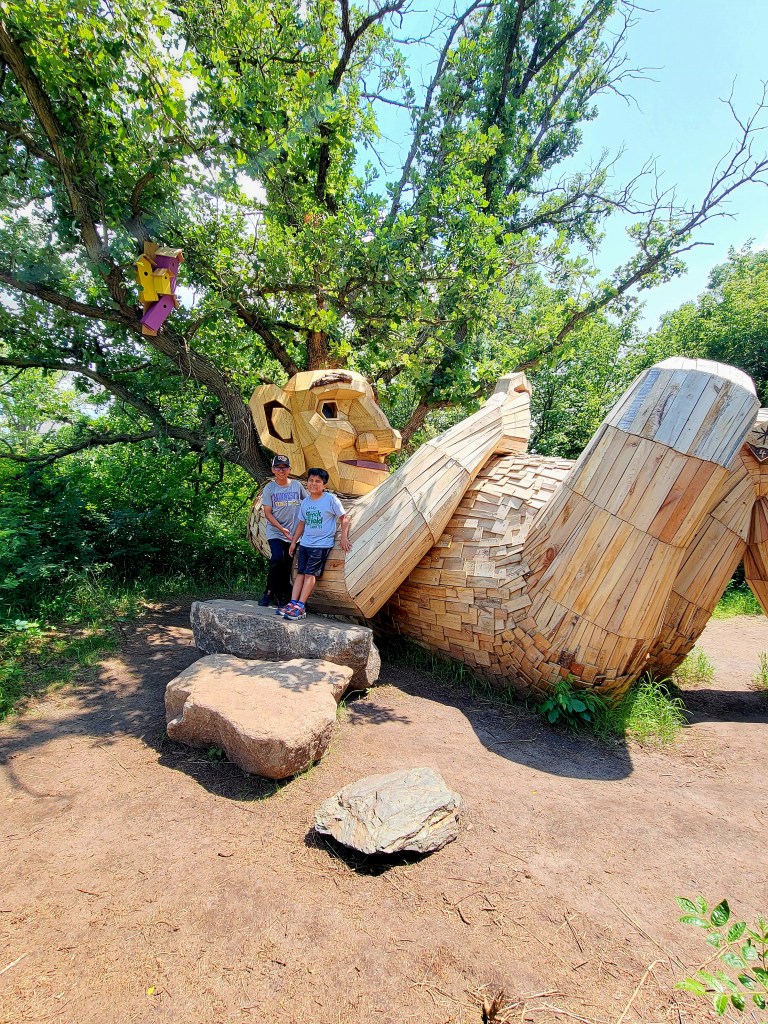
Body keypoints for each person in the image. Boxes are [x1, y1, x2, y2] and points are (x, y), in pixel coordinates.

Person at [277, 467, 352, 621]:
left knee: (310, 574)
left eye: (318, 481)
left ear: (324, 485)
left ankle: (301, 606)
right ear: (307, 483)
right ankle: (292, 603)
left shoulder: (330, 499)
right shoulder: (305, 502)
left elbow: (344, 519)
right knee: (300, 574)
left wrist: (344, 537)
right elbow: (301, 524)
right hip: (305, 544)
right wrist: (293, 542)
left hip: (321, 545)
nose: (314, 483)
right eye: (311, 480)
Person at [258, 455, 308, 607]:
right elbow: (267, 513)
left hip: (293, 534)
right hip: (276, 531)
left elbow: (307, 503)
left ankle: (282, 596)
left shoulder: (297, 485)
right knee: (276, 558)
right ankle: (268, 592)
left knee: (286, 564)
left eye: (284, 467)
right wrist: (281, 528)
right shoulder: (270, 488)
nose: (281, 470)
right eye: (278, 467)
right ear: (273, 470)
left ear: (289, 469)